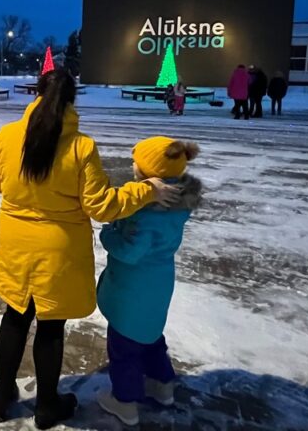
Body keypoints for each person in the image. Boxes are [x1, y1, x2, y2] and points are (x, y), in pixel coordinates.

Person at [0, 68, 179, 429]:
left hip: (15, 243)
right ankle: (46, 406)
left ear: (37, 94)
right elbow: (101, 206)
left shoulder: (9, 135)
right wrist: (147, 190)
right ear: (72, 99)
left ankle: (1, 396)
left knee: (15, 316)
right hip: (58, 251)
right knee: (50, 326)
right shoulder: (80, 146)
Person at [96, 137, 203, 427]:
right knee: (152, 337)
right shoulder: (178, 205)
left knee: (123, 347)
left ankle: (125, 402)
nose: (132, 165)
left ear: (149, 174)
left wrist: (108, 235)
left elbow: (131, 251)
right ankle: (163, 385)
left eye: (136, 163)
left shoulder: (144, 212)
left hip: (132, 288)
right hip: (159, 282)